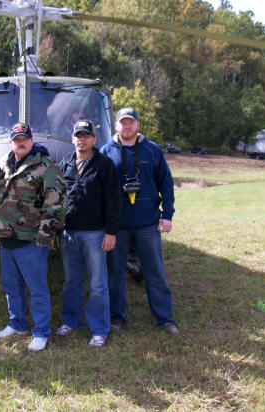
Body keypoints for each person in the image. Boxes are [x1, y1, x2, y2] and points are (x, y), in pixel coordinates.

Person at [100, 107, 179, 335]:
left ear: (138, 125)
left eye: (130, 122)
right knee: (115, 273)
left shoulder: (152, 150)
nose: (126, 126)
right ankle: (117, 318)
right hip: (117, 226)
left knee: (155, 272)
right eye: (122, 122)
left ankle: (164, 318)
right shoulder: (105, 152)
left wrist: (167, 215)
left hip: (148, 224)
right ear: (116, 126)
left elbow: (166, 183)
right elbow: (99, 189)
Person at [0, 122, 67, 351]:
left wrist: (45, 235)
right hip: (7, 239)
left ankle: (42, 331)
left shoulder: (46, 165)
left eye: (24, 139)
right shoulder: (7, 165)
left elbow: (56, 204)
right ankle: (17, 324)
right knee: (11, 285)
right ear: (11, 142)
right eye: (17, 140)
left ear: (32, 141)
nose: (21, 143)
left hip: (31, 240)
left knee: (37, 288)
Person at [55, 120, 121, 347]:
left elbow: (114, 201)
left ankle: (99, 329)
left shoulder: (105, 165)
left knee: (97, 284)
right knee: (71, 281)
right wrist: (56, 231)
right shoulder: (65, 164)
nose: (81, 139)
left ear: (94, 139)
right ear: (72, 138)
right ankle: (71, 321)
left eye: (86, 135)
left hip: (95, 234)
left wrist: (111, 232)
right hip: (68, 233)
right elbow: (58, 200)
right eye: (78, 135)